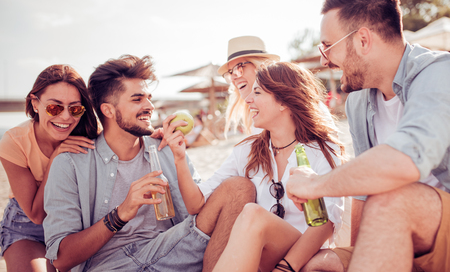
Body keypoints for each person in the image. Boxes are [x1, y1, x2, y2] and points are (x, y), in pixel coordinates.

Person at [287, 0, 450, 272]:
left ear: (363, 40)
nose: (325, 60)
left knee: (393, 199)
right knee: (322, 264)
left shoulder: (440, 73)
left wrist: (315, 185)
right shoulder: (358, 102)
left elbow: (404, 161)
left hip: (433, 223)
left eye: (327, 47)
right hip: (400, 223)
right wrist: (350, 256)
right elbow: (364, 193)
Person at [43, 54, 255, 272]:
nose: (149, 106)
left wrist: (180, 157)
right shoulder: (71, 163)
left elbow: (201, 208)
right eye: (137, 99)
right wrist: (121, 213)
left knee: (239, 189)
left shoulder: (165, 148)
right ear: (107, 110)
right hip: (112, 265)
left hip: (174, 250)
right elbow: (60, 258)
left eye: (149, 97)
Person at [166, 61, 345, 272]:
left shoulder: (322, 149)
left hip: (303, 251)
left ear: (283, 102)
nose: (248, 99)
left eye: (258, 92)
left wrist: (286, 267)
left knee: (253, 214)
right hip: (262, 255)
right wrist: (179, 157)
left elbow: (328, 221)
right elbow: (196, 204)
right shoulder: (247, 151)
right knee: (251, 212)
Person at [0, 65, 98, 271]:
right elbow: (36, 215)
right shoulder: (14, 142)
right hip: (28, 228)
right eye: (54, 107)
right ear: (35, 103)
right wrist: (55, 158)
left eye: (75, 108)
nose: (65, 117)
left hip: (78, 225)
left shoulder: (91, 132)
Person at [218, 35, 336, 136]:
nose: (233, 77)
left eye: (238, 68)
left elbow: (330, 146)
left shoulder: (298, 103)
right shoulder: (254, 114)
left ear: (261, 66)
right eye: (230, 73)